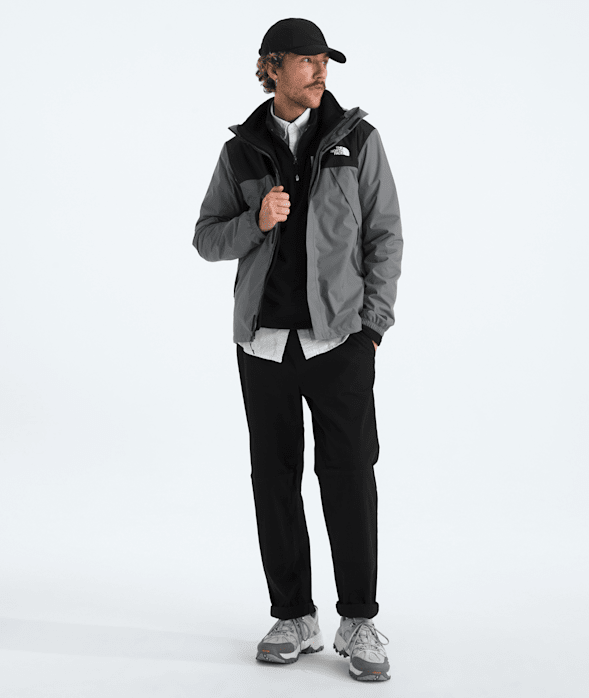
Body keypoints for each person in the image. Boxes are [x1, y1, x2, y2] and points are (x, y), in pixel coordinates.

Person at [193, 17, 403, 682]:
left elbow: (385, 236)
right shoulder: (241, 152)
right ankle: (294, 616)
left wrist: (372, 326)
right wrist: (256, 222)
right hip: (263, 345)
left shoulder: (357, 141)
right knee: (274, 480)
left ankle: (359, 620)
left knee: (349, 477)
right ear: (272, 67)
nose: (319, 72)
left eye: (324, 62)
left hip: (340, 340)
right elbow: (206, 237)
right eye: (307, 61)